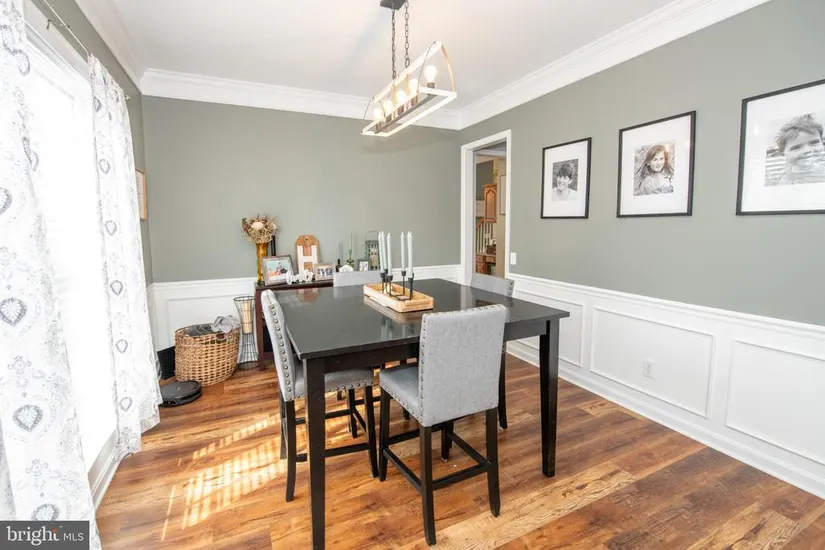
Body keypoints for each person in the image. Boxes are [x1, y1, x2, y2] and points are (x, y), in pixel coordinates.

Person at [772, 114, 825, 186]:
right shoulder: (784, 181)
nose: (807, 150)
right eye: (796, 147)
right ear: (783, 154)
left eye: (814, 142)